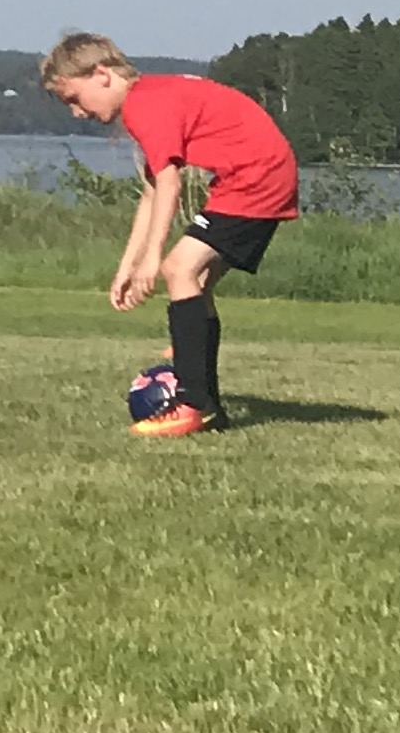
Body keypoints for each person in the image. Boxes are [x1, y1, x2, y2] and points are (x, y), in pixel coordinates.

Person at [38, 33, 297, 437]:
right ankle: (208, 408)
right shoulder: (151, 99)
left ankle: (192, 404)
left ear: (102, 75)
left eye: (74, 98)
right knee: (196, 283)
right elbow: (152, 192)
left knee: (179, 270)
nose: (76, 113)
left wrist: (153, 259)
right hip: (261, 175)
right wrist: (128, 266)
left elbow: (170, 186)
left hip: (256, 178)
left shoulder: (145, 105)